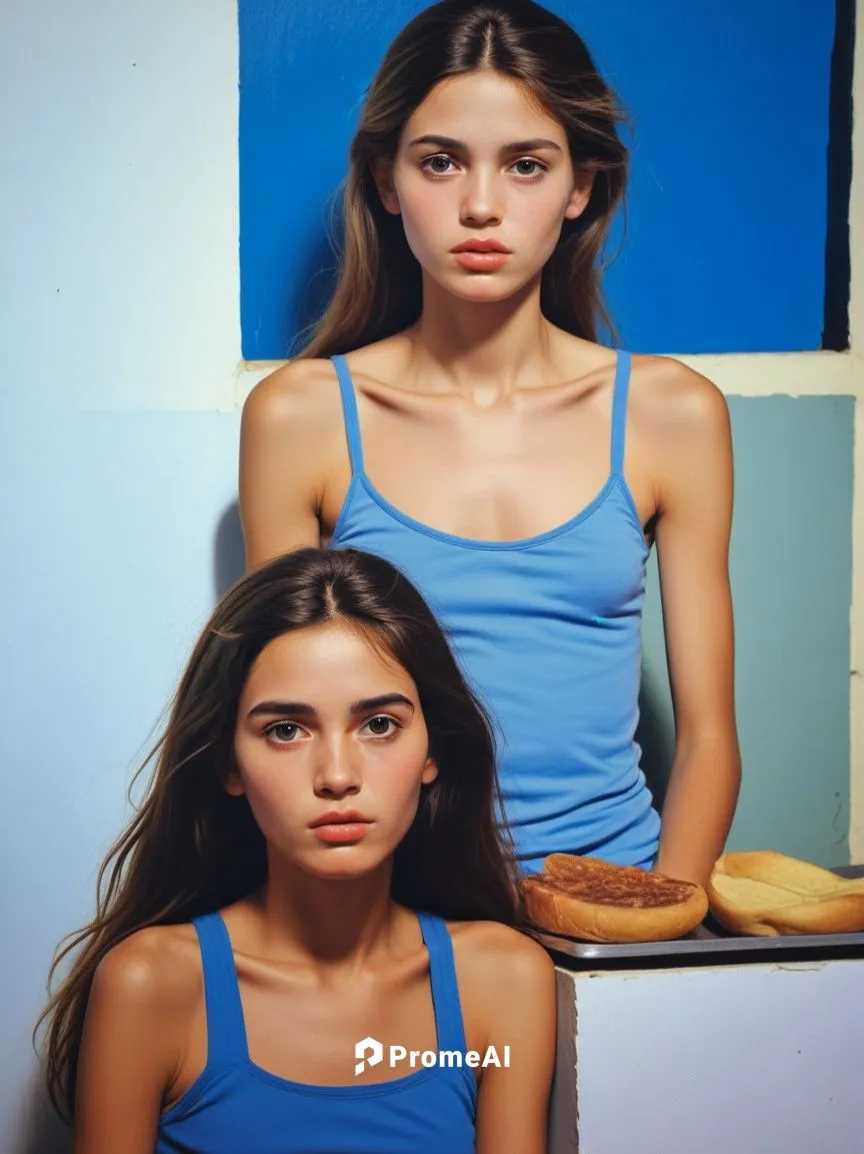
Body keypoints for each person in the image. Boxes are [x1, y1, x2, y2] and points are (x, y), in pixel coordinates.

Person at [239, 0, 741, 886]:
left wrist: (660, 935)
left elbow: (708, 739)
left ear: (579, 186)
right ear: (388, 183)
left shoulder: (673, 414)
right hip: (396, 915)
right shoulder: (301, 417)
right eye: (440, 162)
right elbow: (285, 731)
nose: (479, 205)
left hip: (613, 906)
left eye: (525, 166)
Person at [37, 548, 556, 1154]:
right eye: (286, 730)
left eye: (379, 725)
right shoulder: (151, 984)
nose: (337, 775)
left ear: (433, 751)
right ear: (229, 761)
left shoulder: (503, 980)